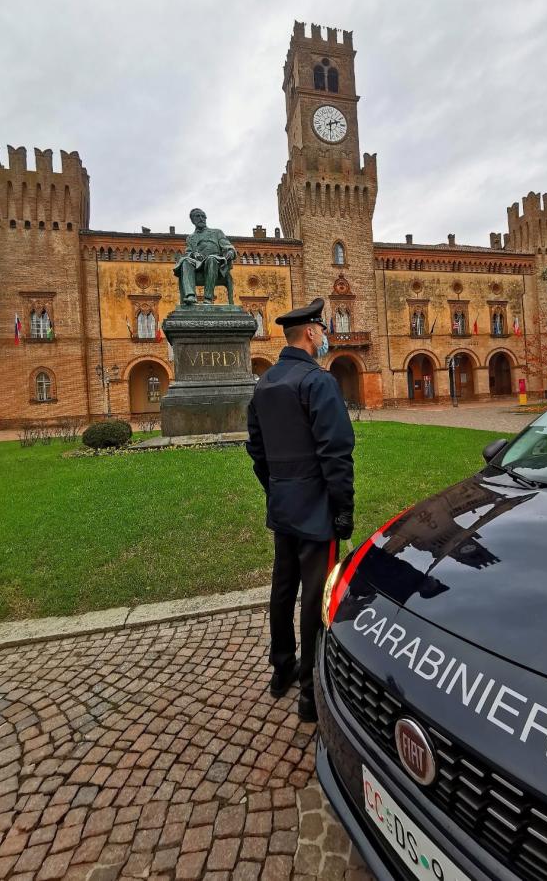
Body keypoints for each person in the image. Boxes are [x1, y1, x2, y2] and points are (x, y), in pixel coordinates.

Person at [246, 297, 355, 723]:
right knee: (314, 594)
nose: (325, 336)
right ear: (310, 333)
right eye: (323, 330)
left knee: (282, 588)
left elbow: (256, 449)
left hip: (283, 507)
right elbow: (336, 452)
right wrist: (342, 509)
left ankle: (281, 669)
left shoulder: (266, 383)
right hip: (316, 511)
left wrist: (276, 489)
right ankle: (310, 690)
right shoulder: (318, 381)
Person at [173, 208, 236, 305]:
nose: (201, 219)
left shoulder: (217, 232)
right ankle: (190, 296)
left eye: (203, 216)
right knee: (185, 261)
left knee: (211, 259)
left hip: (216, 262)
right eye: (198, 216)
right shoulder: (191, 238)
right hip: (198, 264)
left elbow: (227, 246)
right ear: (193, 220)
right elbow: (188, 252)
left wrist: (231, 251)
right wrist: (194, 254)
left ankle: (208, 298)